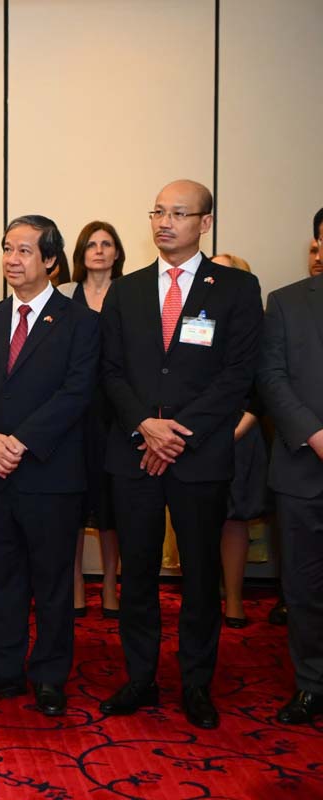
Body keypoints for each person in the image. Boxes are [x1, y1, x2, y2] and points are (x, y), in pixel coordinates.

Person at [98, 180, 263, 730]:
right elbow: (111, 371)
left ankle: (196, 683)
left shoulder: (236, 288)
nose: (164, 222)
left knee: (198, 575)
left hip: (199, 456)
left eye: (179, 213)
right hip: (136, 452)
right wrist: (146, 425)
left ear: (205, 223)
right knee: (138, 574)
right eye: (158, 212)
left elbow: (239, 374)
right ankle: (140, 678)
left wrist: (179, 433)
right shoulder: (127, 290)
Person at [0, 215, 99, 717]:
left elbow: (78, 391)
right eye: (7, 249)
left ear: (51, 260)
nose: (13, 259)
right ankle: (2, 669)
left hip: (48, 473)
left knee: (53, 582)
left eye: (25, 251)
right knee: (1, 578)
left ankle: (51, 675)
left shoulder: (79, 321)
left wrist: (21, 441)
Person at [257, 209, 323, 725]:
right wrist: (316, 433)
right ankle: (312, 683)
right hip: (305, 465)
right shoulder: (286, 303)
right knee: (304, 586)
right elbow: (272, 380)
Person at [60, 221, 126, 619]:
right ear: (81, 253)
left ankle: (110, 583)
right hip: (72, 411)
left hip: (115, 411)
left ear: (118, 252)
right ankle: (75, 584)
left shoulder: (131, 292)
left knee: (111, 504)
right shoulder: (66, 295)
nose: (99, 251)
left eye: (107, 244)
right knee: (70, 501)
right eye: (92, 244)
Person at [211, 253, 268, 629]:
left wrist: (234, 432)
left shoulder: (257, 325)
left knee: (234, 519)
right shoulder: (194, 320)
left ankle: (233, 600)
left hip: (239, 433)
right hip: (194, 435)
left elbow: (263, 386)